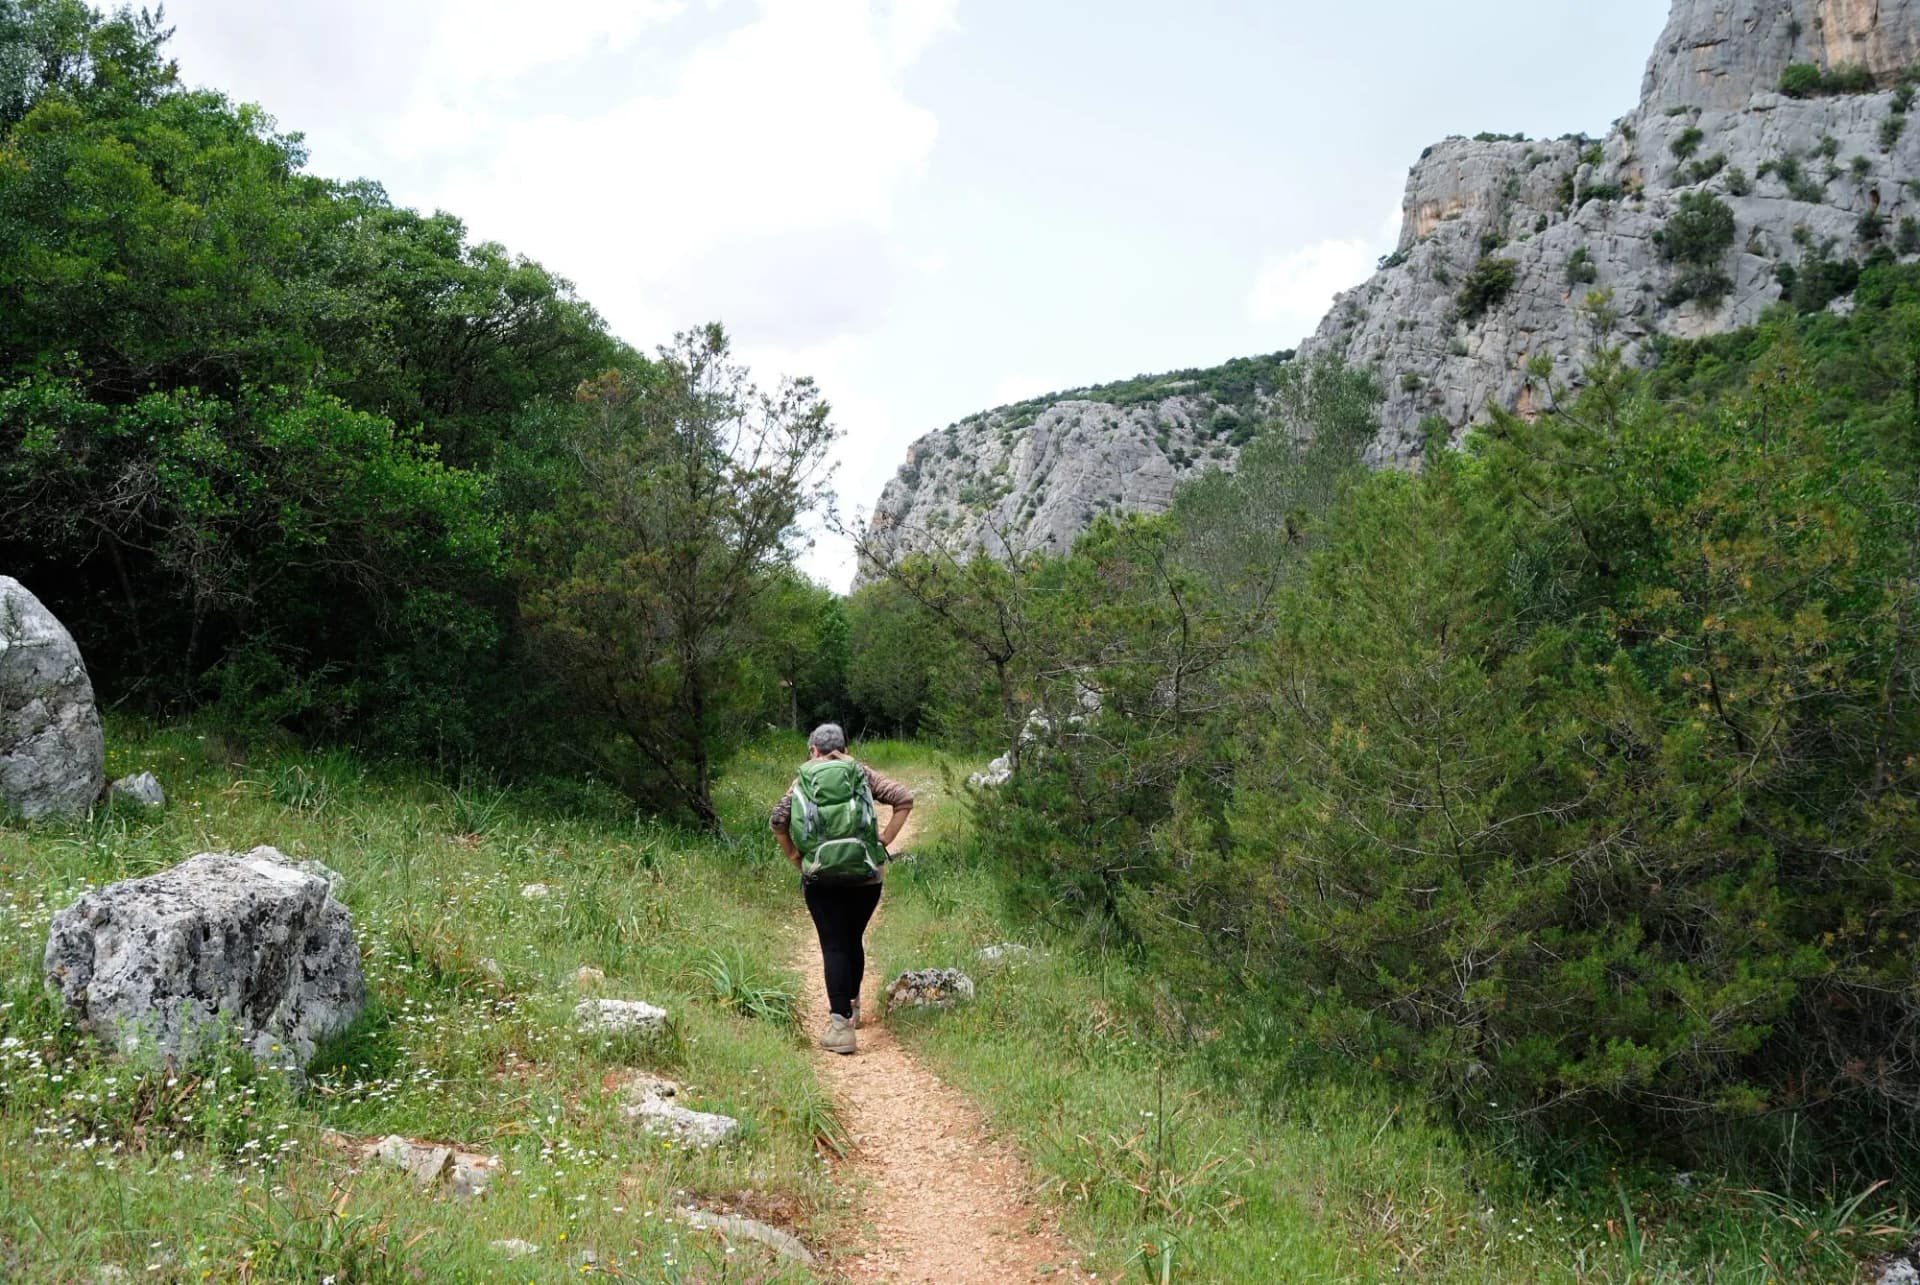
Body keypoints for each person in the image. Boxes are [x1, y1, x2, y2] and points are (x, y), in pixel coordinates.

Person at [771, 723, 914, 1055]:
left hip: (821, 878)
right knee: (852, 939)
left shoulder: (804, 778)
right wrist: (883, 841)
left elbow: (777, 821)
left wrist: (796, 858)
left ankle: (841, 1027)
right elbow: (904, 799)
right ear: (845, 749)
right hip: (866, 875)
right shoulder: (860, 772)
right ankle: (854, 1006)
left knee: (834, 945)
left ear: (813, 750)